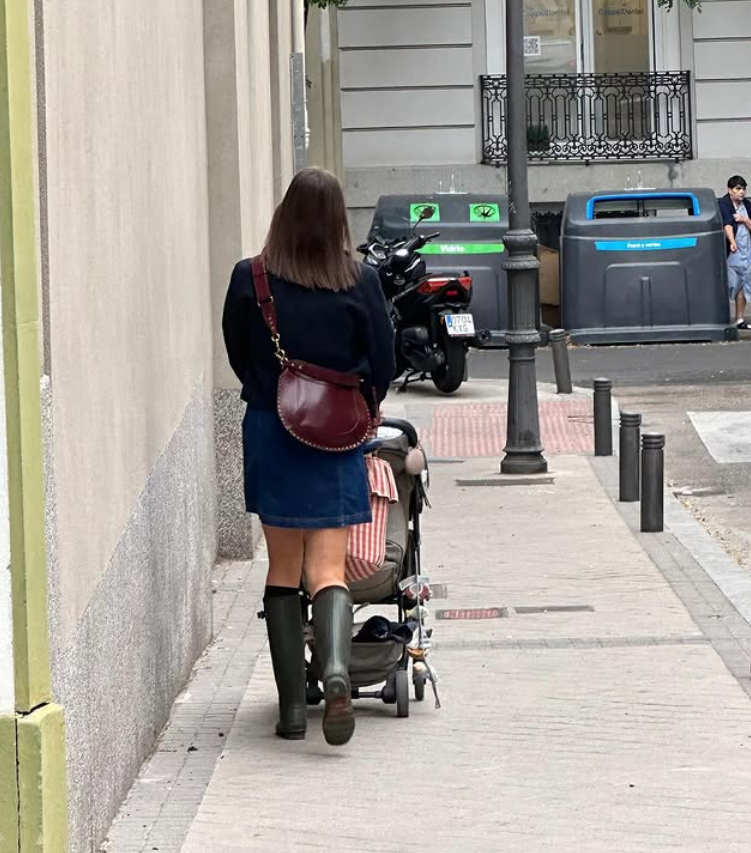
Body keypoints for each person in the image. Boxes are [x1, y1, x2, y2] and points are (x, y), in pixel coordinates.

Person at [222, 168, 395, 747]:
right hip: (337, 436)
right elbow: (384, 359)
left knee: (280, 569)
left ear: (284, 214)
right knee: (327, 571)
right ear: (338, 219)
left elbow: (239, 356)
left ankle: (293, 712)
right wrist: (363, 405)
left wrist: (275, 391)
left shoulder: (251, 279)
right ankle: (339, 672)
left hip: (273, 429)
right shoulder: (361, 280)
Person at [719, 175, 751, 330]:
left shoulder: (747, 205)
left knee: (743, 284)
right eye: (738, 188)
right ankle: (721, 317)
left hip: (747, 250)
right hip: (732, 252)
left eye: (743, 188)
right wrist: (732, 242)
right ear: (730, 190)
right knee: (730, 283)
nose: (742, 192)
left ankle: (739, 319)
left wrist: (744, 220)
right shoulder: (724, 204)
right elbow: (727, 224)